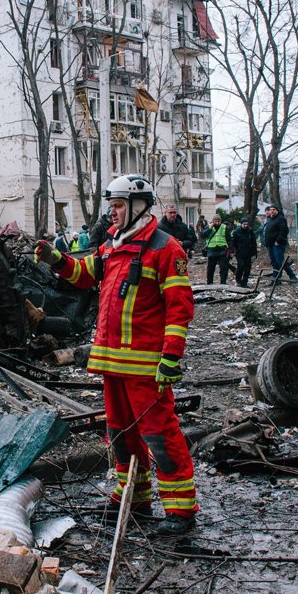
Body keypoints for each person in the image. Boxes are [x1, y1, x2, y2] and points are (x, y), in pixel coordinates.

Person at [34, 175, 198, 536]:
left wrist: (171, 358)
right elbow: (84, 274)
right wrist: (56, 259)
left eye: (119, 205)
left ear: (139, 206)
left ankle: (180, 508)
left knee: (159, 435)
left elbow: (180, 308)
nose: (113, 212)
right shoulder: (112, 246)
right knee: (121, 436)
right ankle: (133, 499)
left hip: (145, 368)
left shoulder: (165, 248)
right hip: (112, 365)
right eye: (112, 206)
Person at [262, 204, 298, 283]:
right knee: (274, 263)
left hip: (278, 244)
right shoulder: (270, 220)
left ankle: (292, 276)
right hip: (270, 244)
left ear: (277, 211)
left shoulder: (281, 219)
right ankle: (276, 279)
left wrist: (278, 241)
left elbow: (284, 231)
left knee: (280, 262)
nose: (272, 211)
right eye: (270, 210)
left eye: (274, 209)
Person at [202, 215, 232, 285]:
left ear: (221, 221)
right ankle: (209, 283)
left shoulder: (224, 227)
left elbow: (229, 239)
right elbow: (203, 235)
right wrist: (210, 228)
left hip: (222, 250)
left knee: (223, 268)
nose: (217, 223)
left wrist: (230, 249)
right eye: (216, 221)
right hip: (211, 250)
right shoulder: (208, 226)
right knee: (211, 268)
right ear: (213, 221)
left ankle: (223, 283)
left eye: (219, 221)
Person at [231, 216, 258, 288]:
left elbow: (253, 242)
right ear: (241, 224)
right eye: (244, 224)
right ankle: (238, 280)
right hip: (239, 253)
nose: (246, 226)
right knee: (240, 266)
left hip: (248, 252)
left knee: (247, 268)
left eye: (247, 224)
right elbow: (233, 242)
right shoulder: (237, 231)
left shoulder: (250, 231)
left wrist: (254, 253)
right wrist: (233, 251)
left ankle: (245, 282)